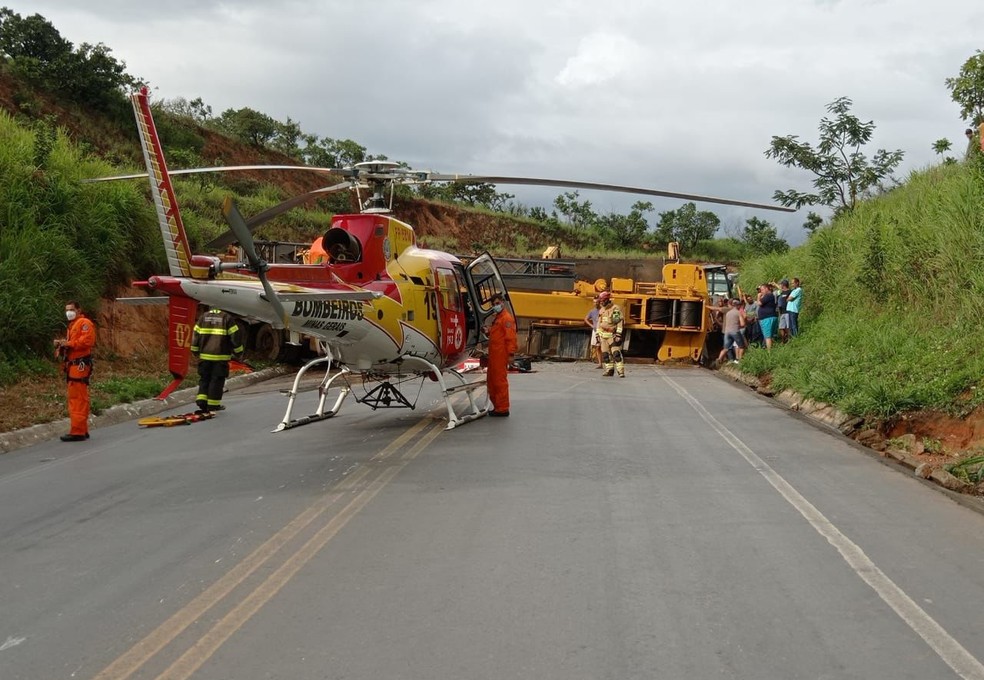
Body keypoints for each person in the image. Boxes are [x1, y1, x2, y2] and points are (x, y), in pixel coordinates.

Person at [53, 300, 97, 442]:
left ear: (78, 310)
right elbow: (75, 343)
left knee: (77, 398)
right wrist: (62, 344)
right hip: (74, 365)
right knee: (78, 398)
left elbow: (86, 342)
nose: (68, 312)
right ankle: (81, 430)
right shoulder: (72, 325)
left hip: (79, 365)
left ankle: (78, 431)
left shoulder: (84, 323)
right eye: (66, 310)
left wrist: (68, 343)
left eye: (71, 309)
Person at [190, 307, 245, 414]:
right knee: (217, 380)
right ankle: (213, 405)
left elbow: (195, 336)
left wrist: (195, 351)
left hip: (204, 357)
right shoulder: (227, 318)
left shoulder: (203, 317)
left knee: (204, 378)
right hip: (220, 357)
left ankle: (202, 400)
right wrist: (239, 352)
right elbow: (235, 338)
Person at [485, 293, 518, 417]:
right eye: (493, 304)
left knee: (499, 381)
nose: (495, 306)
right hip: (494, 354)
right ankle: (498, 406)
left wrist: (511, 354)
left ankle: (503, 408)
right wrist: (488, 331)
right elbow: (497, 334)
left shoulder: (506, 319)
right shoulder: (498, 318)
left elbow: (511, 338)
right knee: (492, 381)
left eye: (497, 303)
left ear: (503, 303)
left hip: (501, 354)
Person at [596, 290, 625, 377]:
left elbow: (619, 323)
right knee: (605, 355)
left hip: (612, 336)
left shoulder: (615, 309)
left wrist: (618, 334)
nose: (601, 302)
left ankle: (621, 371)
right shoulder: (601, 310)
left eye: (602, 301)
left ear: (607, 299)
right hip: (603, 336)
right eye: (600, 301)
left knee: (616, 354)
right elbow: (598, 323)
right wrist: (597, 335)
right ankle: (609, 370)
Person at [717, 299, 746, 364]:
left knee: (726, 348)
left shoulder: (728, 313)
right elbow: (743, 324)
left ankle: (719, 359)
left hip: (727, 332)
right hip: (735, 331)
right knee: (741, 346)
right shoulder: (738, 313)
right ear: (738, 306)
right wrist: (740, 326)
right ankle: (739, 361)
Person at [756, 283, 778, 350]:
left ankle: (769, 353)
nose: (761, 291)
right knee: (770, 336)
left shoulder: (768, 295)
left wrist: (758, 296)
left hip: (767, 318)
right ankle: (772, 350)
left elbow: (759, 303)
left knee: (767, 337)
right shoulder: (771, 295)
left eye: (762, 289)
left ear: (766, 288)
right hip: (770, 317)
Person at [584, 297, 603, 368]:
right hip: (595, 331)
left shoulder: (603, 310)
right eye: (594, 302)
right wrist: (592, 325)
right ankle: (600, 363)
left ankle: (606, 362)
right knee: (597, 347)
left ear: (599, 302)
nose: (595, 304)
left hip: (603, 331)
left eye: (596, 302)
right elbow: (586, 319)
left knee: (603, 347)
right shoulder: (592, 311)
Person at [776, 279, 791, 343]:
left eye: (781, 284)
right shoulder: (781, 293)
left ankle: (789, 339)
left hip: (787, 311)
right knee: (781, 327)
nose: (780, 285)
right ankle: (783, 340)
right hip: (781, 312)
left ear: (784, 285)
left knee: (788, 327)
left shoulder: (789, 292)